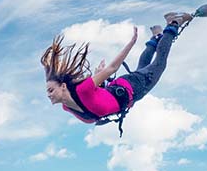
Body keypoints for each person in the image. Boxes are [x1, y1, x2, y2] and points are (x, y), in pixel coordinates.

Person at [41, 12, 193, 125]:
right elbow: (98, 100)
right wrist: (99, 81)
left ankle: (173, 22)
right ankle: (156, 37)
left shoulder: (83, 89)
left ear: (62, 86)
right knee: (144, 67)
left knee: (159, 64)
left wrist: (131, 43)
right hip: (125, 90)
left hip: (133, 88)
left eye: (50, 90)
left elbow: (112, 67)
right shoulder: (67, 108)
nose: (48, 95)